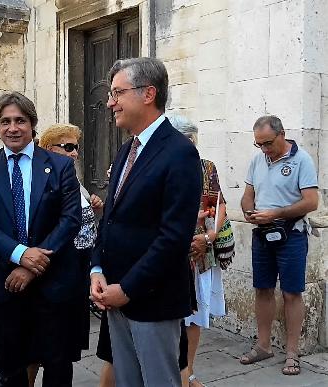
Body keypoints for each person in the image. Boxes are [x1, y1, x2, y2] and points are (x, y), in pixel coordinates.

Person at [89, 57, 202, 387]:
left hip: (151, 298)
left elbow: (173, 237)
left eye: (117, 93)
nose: (110, 102)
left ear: (148, 93)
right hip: (115, 294)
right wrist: (97, 269)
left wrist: (127, 289)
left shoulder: (179, 152)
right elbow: (110, 220)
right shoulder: (126, 150)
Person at [0, 92, 82, 387]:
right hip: (6, 286)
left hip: (53, 282)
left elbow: (70, 220)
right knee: (11, 368)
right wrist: (19, 254)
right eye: (5, 122)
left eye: (20, 120)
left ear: (32, 125)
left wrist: (32, 263)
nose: (13, 128)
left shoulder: (59, 166)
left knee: (57, 365)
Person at [26, 123, 104, 385]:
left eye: (76, 148)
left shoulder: (73, 180)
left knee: (63, 353)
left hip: (76, 275)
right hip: (53, 274)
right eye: (68, 147)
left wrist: (95, 208)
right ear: (49, 148)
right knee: (38, 350)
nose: (74, 153)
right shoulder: (44, 178)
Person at [240, 115, 318, 376]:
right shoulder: (257, 160)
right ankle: (263, 346)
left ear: (282, 134)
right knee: (262, 289)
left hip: (291, 235)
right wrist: (250, 211)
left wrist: (276, 214)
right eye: (259, 144)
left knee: (291, 293)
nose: (264, 150)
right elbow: (247, 194)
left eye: (268, 143)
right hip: (262, 234)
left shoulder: (302, 160)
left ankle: (293, 352)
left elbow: (311, 202)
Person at [169, 114, 229, 387]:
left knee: (195, 317)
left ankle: (188, 372)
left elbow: (218, 204)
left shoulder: (207, 167)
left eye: (192, 139)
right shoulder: (161, 166)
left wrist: (211, 234)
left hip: (201, 251)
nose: (190, 144)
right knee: (171, 317)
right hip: (170, 252)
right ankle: (170, 371)